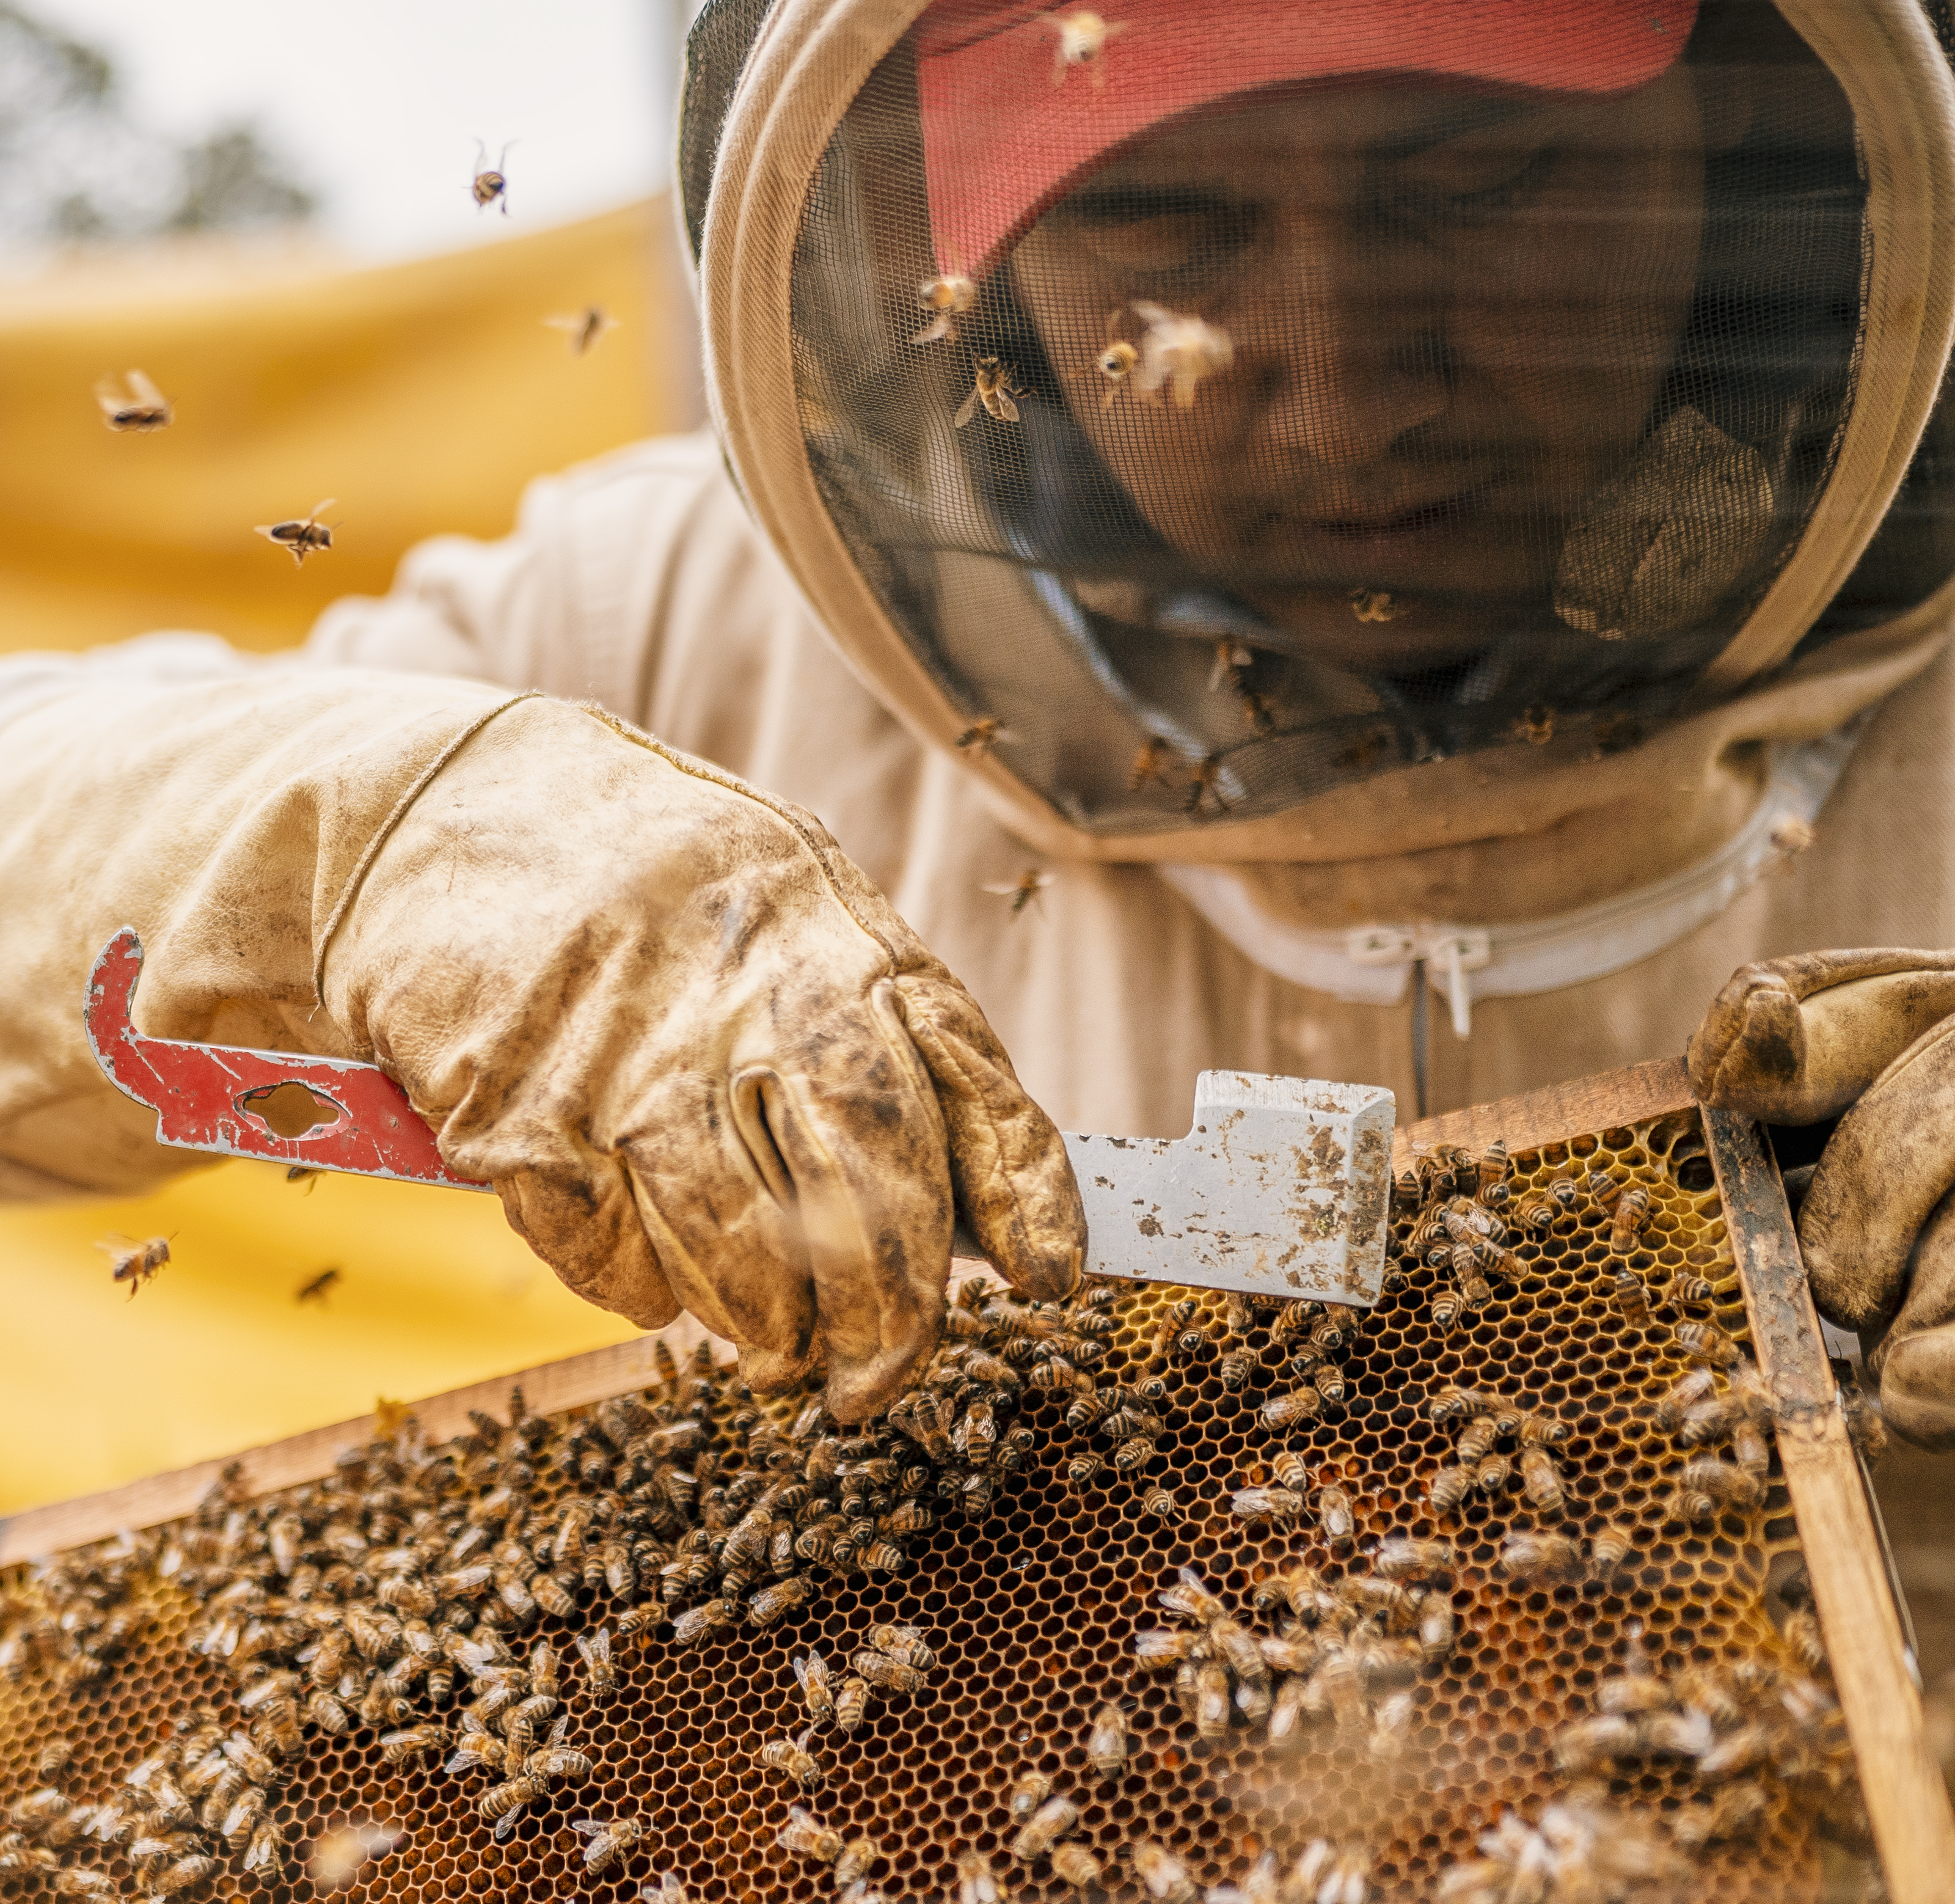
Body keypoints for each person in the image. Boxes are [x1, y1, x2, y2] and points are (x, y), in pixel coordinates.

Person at [2, 0, 1953, 1455]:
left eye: (1477, 188)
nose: (1349, 400)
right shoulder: (681, 629)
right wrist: (395, 845)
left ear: (1742, 139)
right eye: (1167, 230)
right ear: (969, 277)